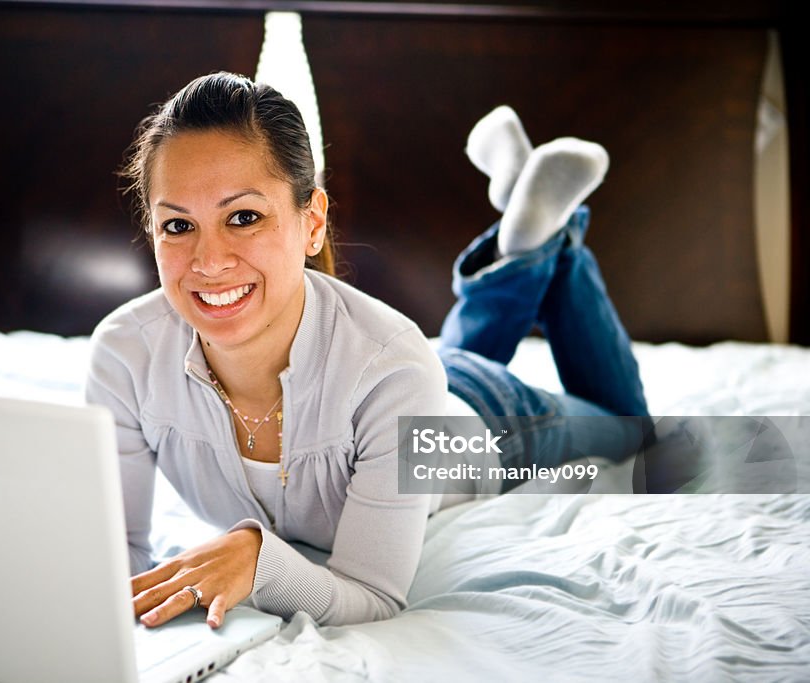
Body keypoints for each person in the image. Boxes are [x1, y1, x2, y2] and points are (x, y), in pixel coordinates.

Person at [85, 72, 649, 630]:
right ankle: (519, 235)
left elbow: (374, 593)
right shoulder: (124, 355)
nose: (208, 261)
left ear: (312, 223)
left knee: (632, 427)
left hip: (492, 418)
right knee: (429, 362)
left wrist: (257, 559)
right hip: (412, 380)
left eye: (244, 217)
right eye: (178, 224)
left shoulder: (394, 369)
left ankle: (550, 240)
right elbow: (117, 556)